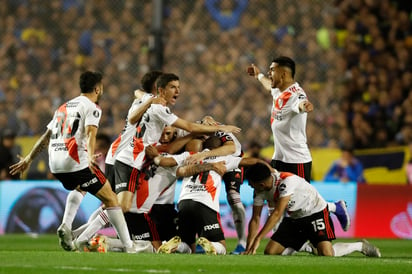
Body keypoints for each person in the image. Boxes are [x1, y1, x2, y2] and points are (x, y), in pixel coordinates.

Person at [9, 71, 139, 253]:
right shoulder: (92, 107)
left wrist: (29, 158)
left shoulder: (63, 107)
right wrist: (90, 155)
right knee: (111, 199)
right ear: (97, 88)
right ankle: (129, 246)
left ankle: (66, 226)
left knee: (82, 186)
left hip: (55, 164)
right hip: (74, 161)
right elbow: (91, 132)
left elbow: (46, 136)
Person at [113, 73, 241, 216]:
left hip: (130, 157)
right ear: (160, 90)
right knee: (121, 206)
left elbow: (134, 108)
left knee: (120, 206)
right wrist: (220, 128)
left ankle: (110, 236)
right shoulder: (160, 110)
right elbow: (189, 128)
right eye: (173, 87)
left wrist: (205, 120)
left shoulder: (149, 102)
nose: (177, 91)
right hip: (130, 157)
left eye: (178, 87)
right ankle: (100, 236)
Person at [247, 56, 351, 231]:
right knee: (273, 198)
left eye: (272, 70)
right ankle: (280, 238)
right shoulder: (279, 90)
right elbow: (268, 86)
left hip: (297, 160)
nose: (269, 73)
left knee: (303, 203)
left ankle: (335, 208)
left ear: (284, 73)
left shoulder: (296, 94)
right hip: (279, 157)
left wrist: (305, 106)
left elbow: (301, 104)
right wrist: (258, 76)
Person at [156, 136, 268, 255]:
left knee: (188, 246)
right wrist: (269, 168)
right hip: (204, 204)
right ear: (220, 148)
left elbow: (165, 161)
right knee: (222, 247)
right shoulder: (223, 158)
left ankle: (176, 246)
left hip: (184, 203)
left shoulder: (191, 155)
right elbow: (251, 161)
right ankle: (212, 244)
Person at [244, 162, 381, 257]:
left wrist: (258, 239)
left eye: (251, 184)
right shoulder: (259, 191)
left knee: (327, 254)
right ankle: (310, 246)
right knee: (271, 252)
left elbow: (277, 213)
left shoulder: (286, 182)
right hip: (294, 218)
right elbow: (255, 218)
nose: (250, 186)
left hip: (315, 213)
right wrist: (249, 244)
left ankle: (359, 246)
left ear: (261, 184)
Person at [185, 116, 247, 254]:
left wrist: (204, 156)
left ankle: (242, 243)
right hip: (211, 161)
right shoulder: (195, 130)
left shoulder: (221, 131)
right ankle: (204, 238)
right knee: (204, 196)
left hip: (231, 161)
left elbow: (231, 148)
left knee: (234, 198)